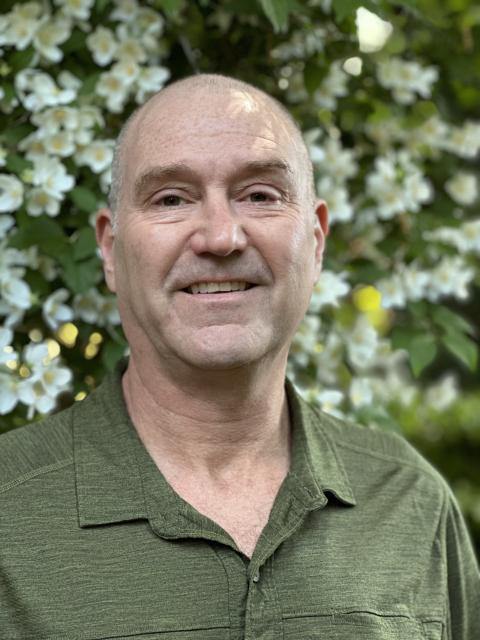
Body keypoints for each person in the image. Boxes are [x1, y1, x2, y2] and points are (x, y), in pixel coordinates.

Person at [0, 74, 478, 639]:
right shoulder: (10, 513)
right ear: (110, 249)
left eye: (260, 195)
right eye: (171, 199)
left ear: (317, 241)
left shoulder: (407, 500)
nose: (222, 237)